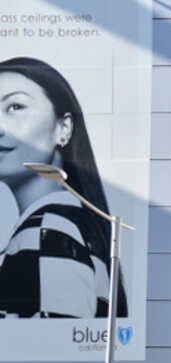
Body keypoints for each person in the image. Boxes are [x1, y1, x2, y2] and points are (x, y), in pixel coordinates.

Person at [0, 56, 127, 318]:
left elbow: (53, 348)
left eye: (15, 107)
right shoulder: (73, 224)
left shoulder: (50, 227)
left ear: (64, 128)